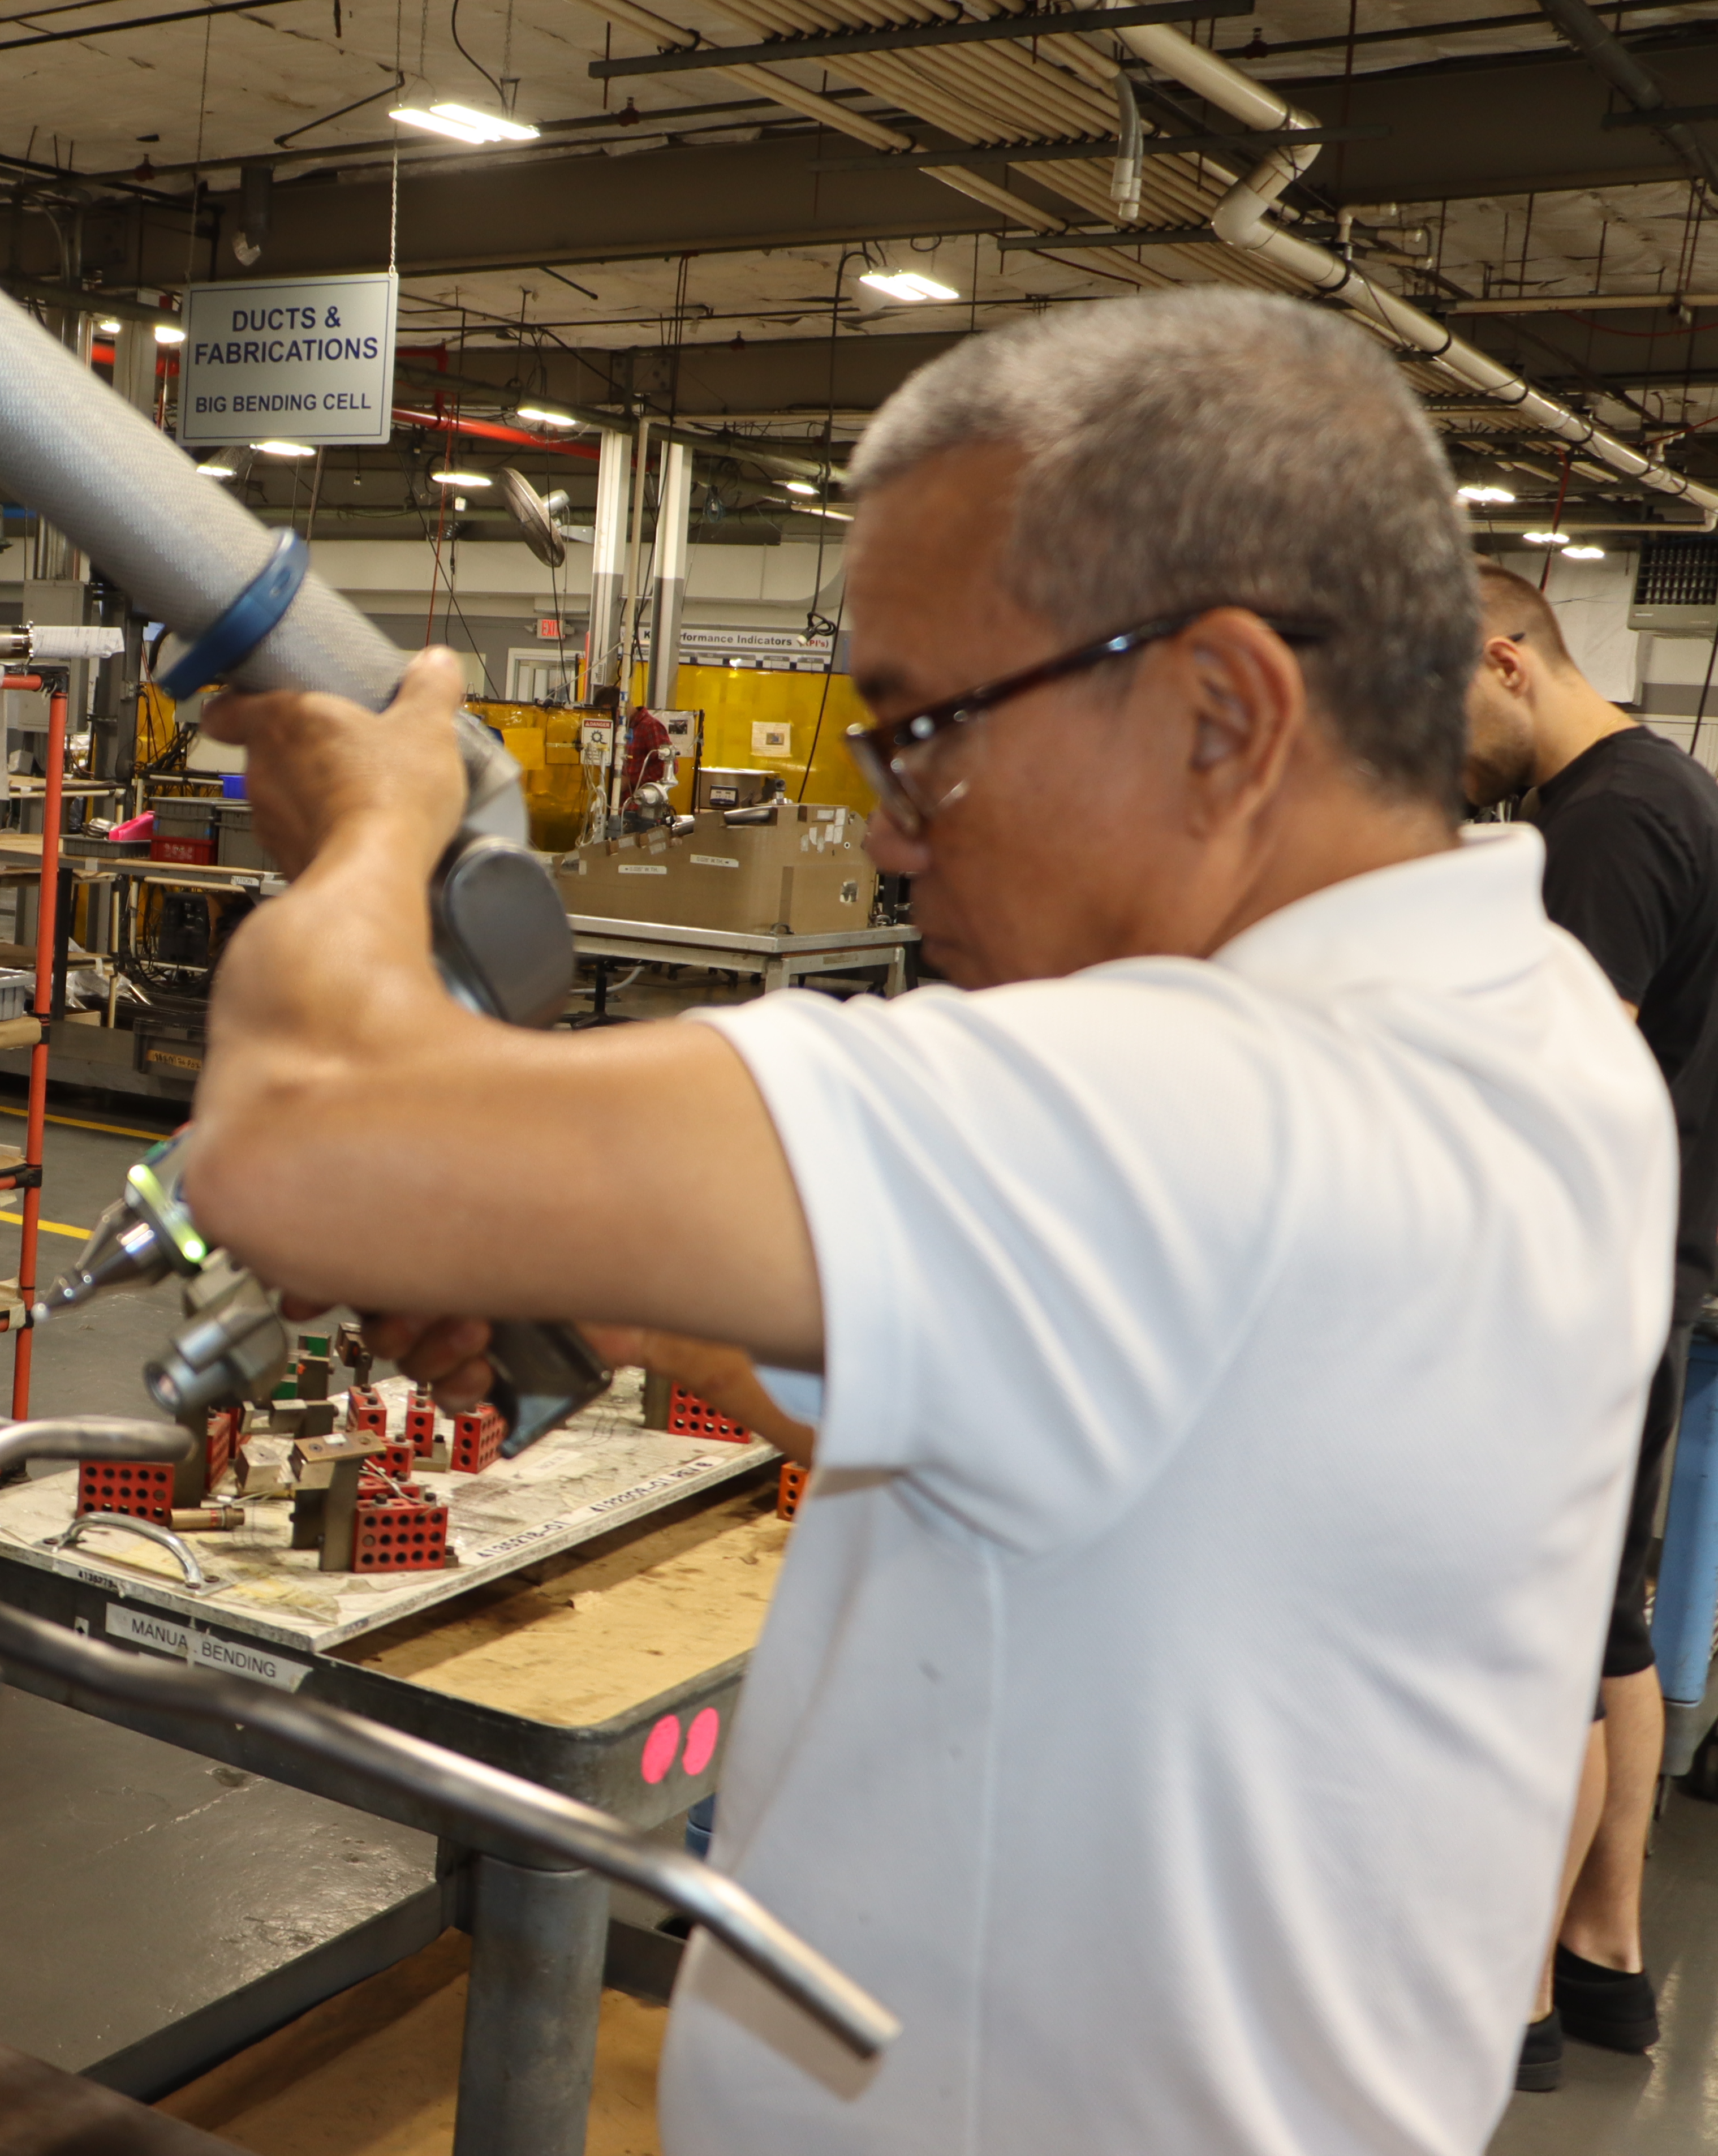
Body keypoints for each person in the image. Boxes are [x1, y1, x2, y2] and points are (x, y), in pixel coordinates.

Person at [180, 287, 1672, 2155]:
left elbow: (301, 1136)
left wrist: (374, 827)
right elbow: (1108, 1426)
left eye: (923, 734)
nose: (888, 828)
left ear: (1222, 713)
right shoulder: (1522, 1037)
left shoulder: (1203, 1115)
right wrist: (643, 1309)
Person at [1462, 557, 1718, 2085]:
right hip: (1654, 1255)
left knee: (1545, 1633)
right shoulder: (1658, 791)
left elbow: (1561, 1083)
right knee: (1614, 1624)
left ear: (1506, 661)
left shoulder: (1608, 822)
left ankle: (1521, 2008)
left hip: (1591, 1269)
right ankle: (1608, 1958)